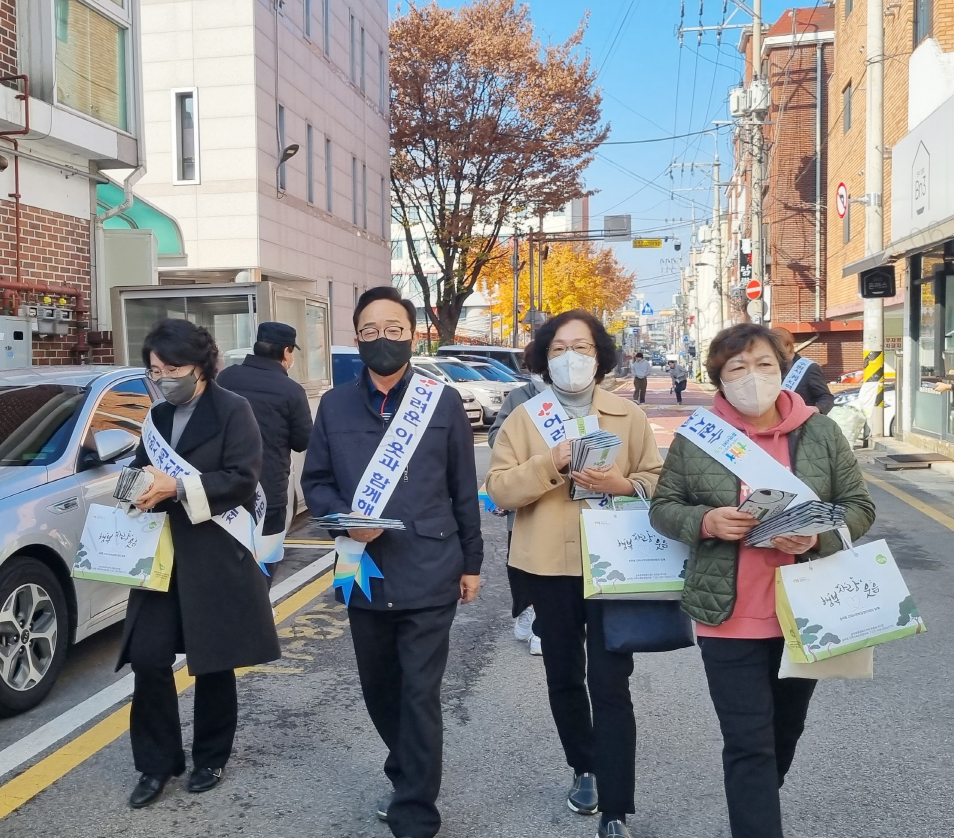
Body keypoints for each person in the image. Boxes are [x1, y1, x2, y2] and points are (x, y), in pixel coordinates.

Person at [649, 323, 875, 838]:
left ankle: (755, 807)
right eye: (738, 368)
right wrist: (706, 522)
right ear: (719, 379)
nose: (753, 377)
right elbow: (664, 509)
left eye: (764, 365)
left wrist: (815, 535)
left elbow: (859, 507)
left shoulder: (820, 432)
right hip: (728, 615)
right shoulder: (698, 436)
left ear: (783, 368)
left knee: (783, 733)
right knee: (747, 742)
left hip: (807, 612)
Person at [301, 287, 483, 838]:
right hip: (363, 568)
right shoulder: (334, 405)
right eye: (372, 330)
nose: (384, 339)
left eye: (395, 329)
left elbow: (462, 489)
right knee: (379, 687)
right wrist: (341, 516)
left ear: (413, 334)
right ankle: (406, 767)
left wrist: (471, 562)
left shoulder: (440, 401)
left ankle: (415, 812)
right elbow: (317, 483)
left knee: (419, 692)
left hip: (430, 565)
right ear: (357, 337)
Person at [486, 310, 664, 838]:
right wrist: (551, 463)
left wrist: (620, 484)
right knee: (563, 675)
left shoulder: (627, 417)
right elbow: (498, 490)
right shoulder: (525, 417)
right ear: (545, 357)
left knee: (612, 682)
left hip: (615, 566)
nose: (571, 358)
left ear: (600, 355)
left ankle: (615, 806)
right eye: (560, 348)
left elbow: (657, 481)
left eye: (582, 347)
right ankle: (582, 765)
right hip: (546, 566)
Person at [117, 319, 280, 808]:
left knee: (212, 660)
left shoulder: (234, 410)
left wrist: (177, 487)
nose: (164, 378)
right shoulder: (157, 417)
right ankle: (156, 763)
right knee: (147, 657)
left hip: (214, 548)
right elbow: (139, 465)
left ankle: (210, 756)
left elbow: (241, 479)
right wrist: (133, 489)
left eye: (173, 369)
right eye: (155, 370)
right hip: (161, 552)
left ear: (201, 367)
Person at [218, 321, 314, 581]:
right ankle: (257, 616)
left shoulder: (226, 378)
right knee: (264, 564)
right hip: (269, 492)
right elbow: (303, 441)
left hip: (223, 489)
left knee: (225, 565)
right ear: (286, 352)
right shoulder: (291, 391)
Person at [487, 362, 546, 656]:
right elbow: (495, 436)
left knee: (552, 569)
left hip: (569, 502)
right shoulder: (520, 397)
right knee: (520, 565)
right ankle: (527, 608)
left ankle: (542, 626)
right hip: (523, 498)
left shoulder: (587, 399)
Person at [770, 327, 835, 414]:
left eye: (776, 348)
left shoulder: (809, 368)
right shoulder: (771, 367)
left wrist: (817, 409)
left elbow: (826, 397)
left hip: (801, 422)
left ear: (788, 346)